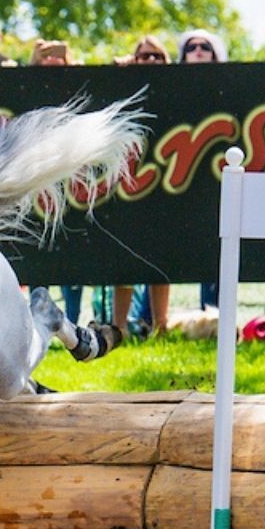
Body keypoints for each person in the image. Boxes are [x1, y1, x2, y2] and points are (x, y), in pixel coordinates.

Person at [112, 36, 172, 336]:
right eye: (144, 56)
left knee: (162, 257)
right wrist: (121, 71)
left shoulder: (177, 88)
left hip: (168, 178)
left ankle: (162, 326)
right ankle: (119, 328)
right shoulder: (127, 86)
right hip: (130, 182)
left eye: (156, 56)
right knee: (125, 261)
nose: (150, 62)